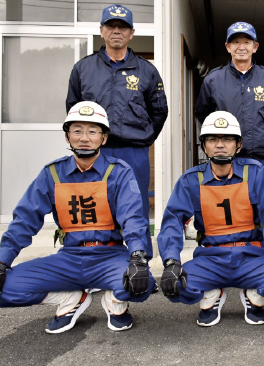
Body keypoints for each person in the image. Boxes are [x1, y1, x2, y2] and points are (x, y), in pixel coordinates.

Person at [0, 101, 155, 334]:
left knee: (142, 284)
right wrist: (1, 262)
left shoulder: (119, 172)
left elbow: (133, 219)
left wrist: (138, 258)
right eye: (77, 130)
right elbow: (25, 220)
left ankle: (115, 302)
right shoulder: (52, 173)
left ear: (103, 138)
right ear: (67, 137)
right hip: (69, 258)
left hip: (109, 256)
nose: (84, 137)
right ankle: (69, 298)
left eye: (93, 131)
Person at [156, 111, 264, 326]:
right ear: (204, 146)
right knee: (175, 285)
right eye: (213, 139)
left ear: (238, 145)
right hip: (210, 257)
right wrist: (171, 261)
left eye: (227, 139)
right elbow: (172, 222)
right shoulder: (191, 180)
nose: (220, 145)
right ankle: (212, 293)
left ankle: (253, 296)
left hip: (251, 255)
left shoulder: (255, 173)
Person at [66, 4, 169, 253]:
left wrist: (144, 139)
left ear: (131, 33)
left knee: (136, 207)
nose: (116, 31)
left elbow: (159, 111)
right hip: (95, 154)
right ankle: (99, 261)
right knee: (96, 206)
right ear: (101, 31)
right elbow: (73, 110)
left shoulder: (146, 70)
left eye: (122, 27)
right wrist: (87, 140)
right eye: (111, 25)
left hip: (134, 152)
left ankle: (140, 264)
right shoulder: (83, 68)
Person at [195, 21, 264, 177]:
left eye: (246, 42)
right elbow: (203, 113)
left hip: (260, 157)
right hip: (225, 157)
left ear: (255, 47)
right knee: (228, 200)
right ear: (228, 47)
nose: (241, 47)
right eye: (236, 42)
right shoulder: (213, 79)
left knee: (260, 200)